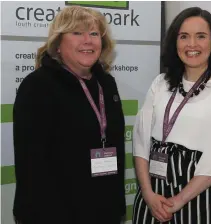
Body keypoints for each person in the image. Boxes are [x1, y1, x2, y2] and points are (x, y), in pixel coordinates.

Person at [13, 6, 126, 224]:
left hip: (104, 211)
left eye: (94, 34)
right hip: (56, 214)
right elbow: (31, 167)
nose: (88, 40)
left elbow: (115, 148)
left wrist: (116, 207)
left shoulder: (106, 84)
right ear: (58, 43)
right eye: (77, 33)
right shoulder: (37, 86)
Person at [132, 7, 211, 224]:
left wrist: (180, 199)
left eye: (201, 36)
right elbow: (140, 140)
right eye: (184, 36)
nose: (191, 44)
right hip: (153, 193)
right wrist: (147, 193)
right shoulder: (160, 83)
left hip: (201, 194)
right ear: (175, 43)